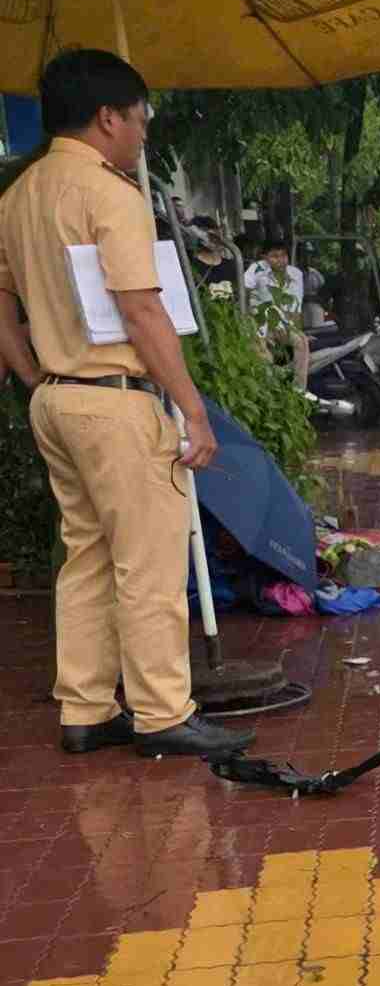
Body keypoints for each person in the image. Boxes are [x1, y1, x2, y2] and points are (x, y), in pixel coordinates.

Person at [0, 49, 252, 758]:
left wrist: (32, 376)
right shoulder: (110, 195)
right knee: (148, 559)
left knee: (85, 555)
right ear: (107, 117)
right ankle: (162, 712)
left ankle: (84, 708)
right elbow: (141, 308)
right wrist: (192, 409)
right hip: (114, 399)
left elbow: (2, 299)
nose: (143, 132)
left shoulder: (17, 196)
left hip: (56, 399)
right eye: (140, 119)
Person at [245, 235, 311, 392]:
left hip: (283, 324)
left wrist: (295, 329)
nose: (280, 260)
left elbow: (296, 306)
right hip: (259, 323)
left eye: (283, 255)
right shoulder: (257, 268)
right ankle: (269, 390)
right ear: (264, 257)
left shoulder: (295, 274)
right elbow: (243, 291)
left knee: (301, 341)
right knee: (263, 355)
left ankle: (299, 390)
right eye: (274, 256)